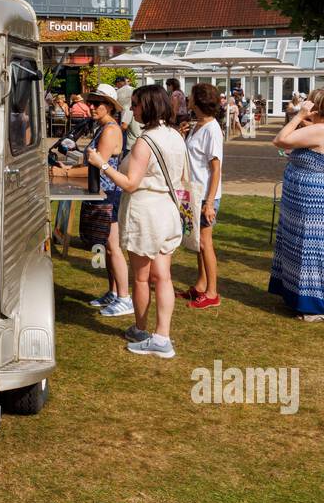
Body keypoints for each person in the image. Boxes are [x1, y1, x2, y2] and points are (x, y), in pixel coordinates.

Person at [88, 85, 188, 358]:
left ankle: (143, 330)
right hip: (168, 209)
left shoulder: (146, 141)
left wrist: (102, 164)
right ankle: (162, 334)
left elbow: (130, 184)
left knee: (142, 278)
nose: (132, 109)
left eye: (135, 104)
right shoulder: (176, 136)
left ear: (149, 106)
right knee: (164, 276)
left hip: (146, 212)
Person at [51, 83, 132, 317]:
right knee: (107, 246)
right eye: (91, 102)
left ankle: (124, 297)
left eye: (97, 103)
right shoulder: (103, 127)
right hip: (101, 192)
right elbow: (89, 165)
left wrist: (64, 173)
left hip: (107, 193)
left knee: (113, 247)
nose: (92, 107)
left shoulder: (109, 130)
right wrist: (70, 167)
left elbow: (96, 168)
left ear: (109, 106)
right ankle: (114, 291)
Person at [269, 88, 324, 320]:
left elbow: (279, 140)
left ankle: (314, 305)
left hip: (311, 199)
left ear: (317, 107)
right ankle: (296, 296)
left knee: (310, 248)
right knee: (298, 245)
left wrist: (299, 117)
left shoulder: (321, 130)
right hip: (308, 195)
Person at [180, 83, 223, 309]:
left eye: (191, 96)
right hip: (193, 193)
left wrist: (209, 203)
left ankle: (212, 292)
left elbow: (216, 169)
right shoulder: (197, 126)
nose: (187, 98)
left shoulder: (212, 129)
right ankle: (200, 285)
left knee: (206, 243)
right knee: (197, 241)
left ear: (198, 100)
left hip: (206, 195)